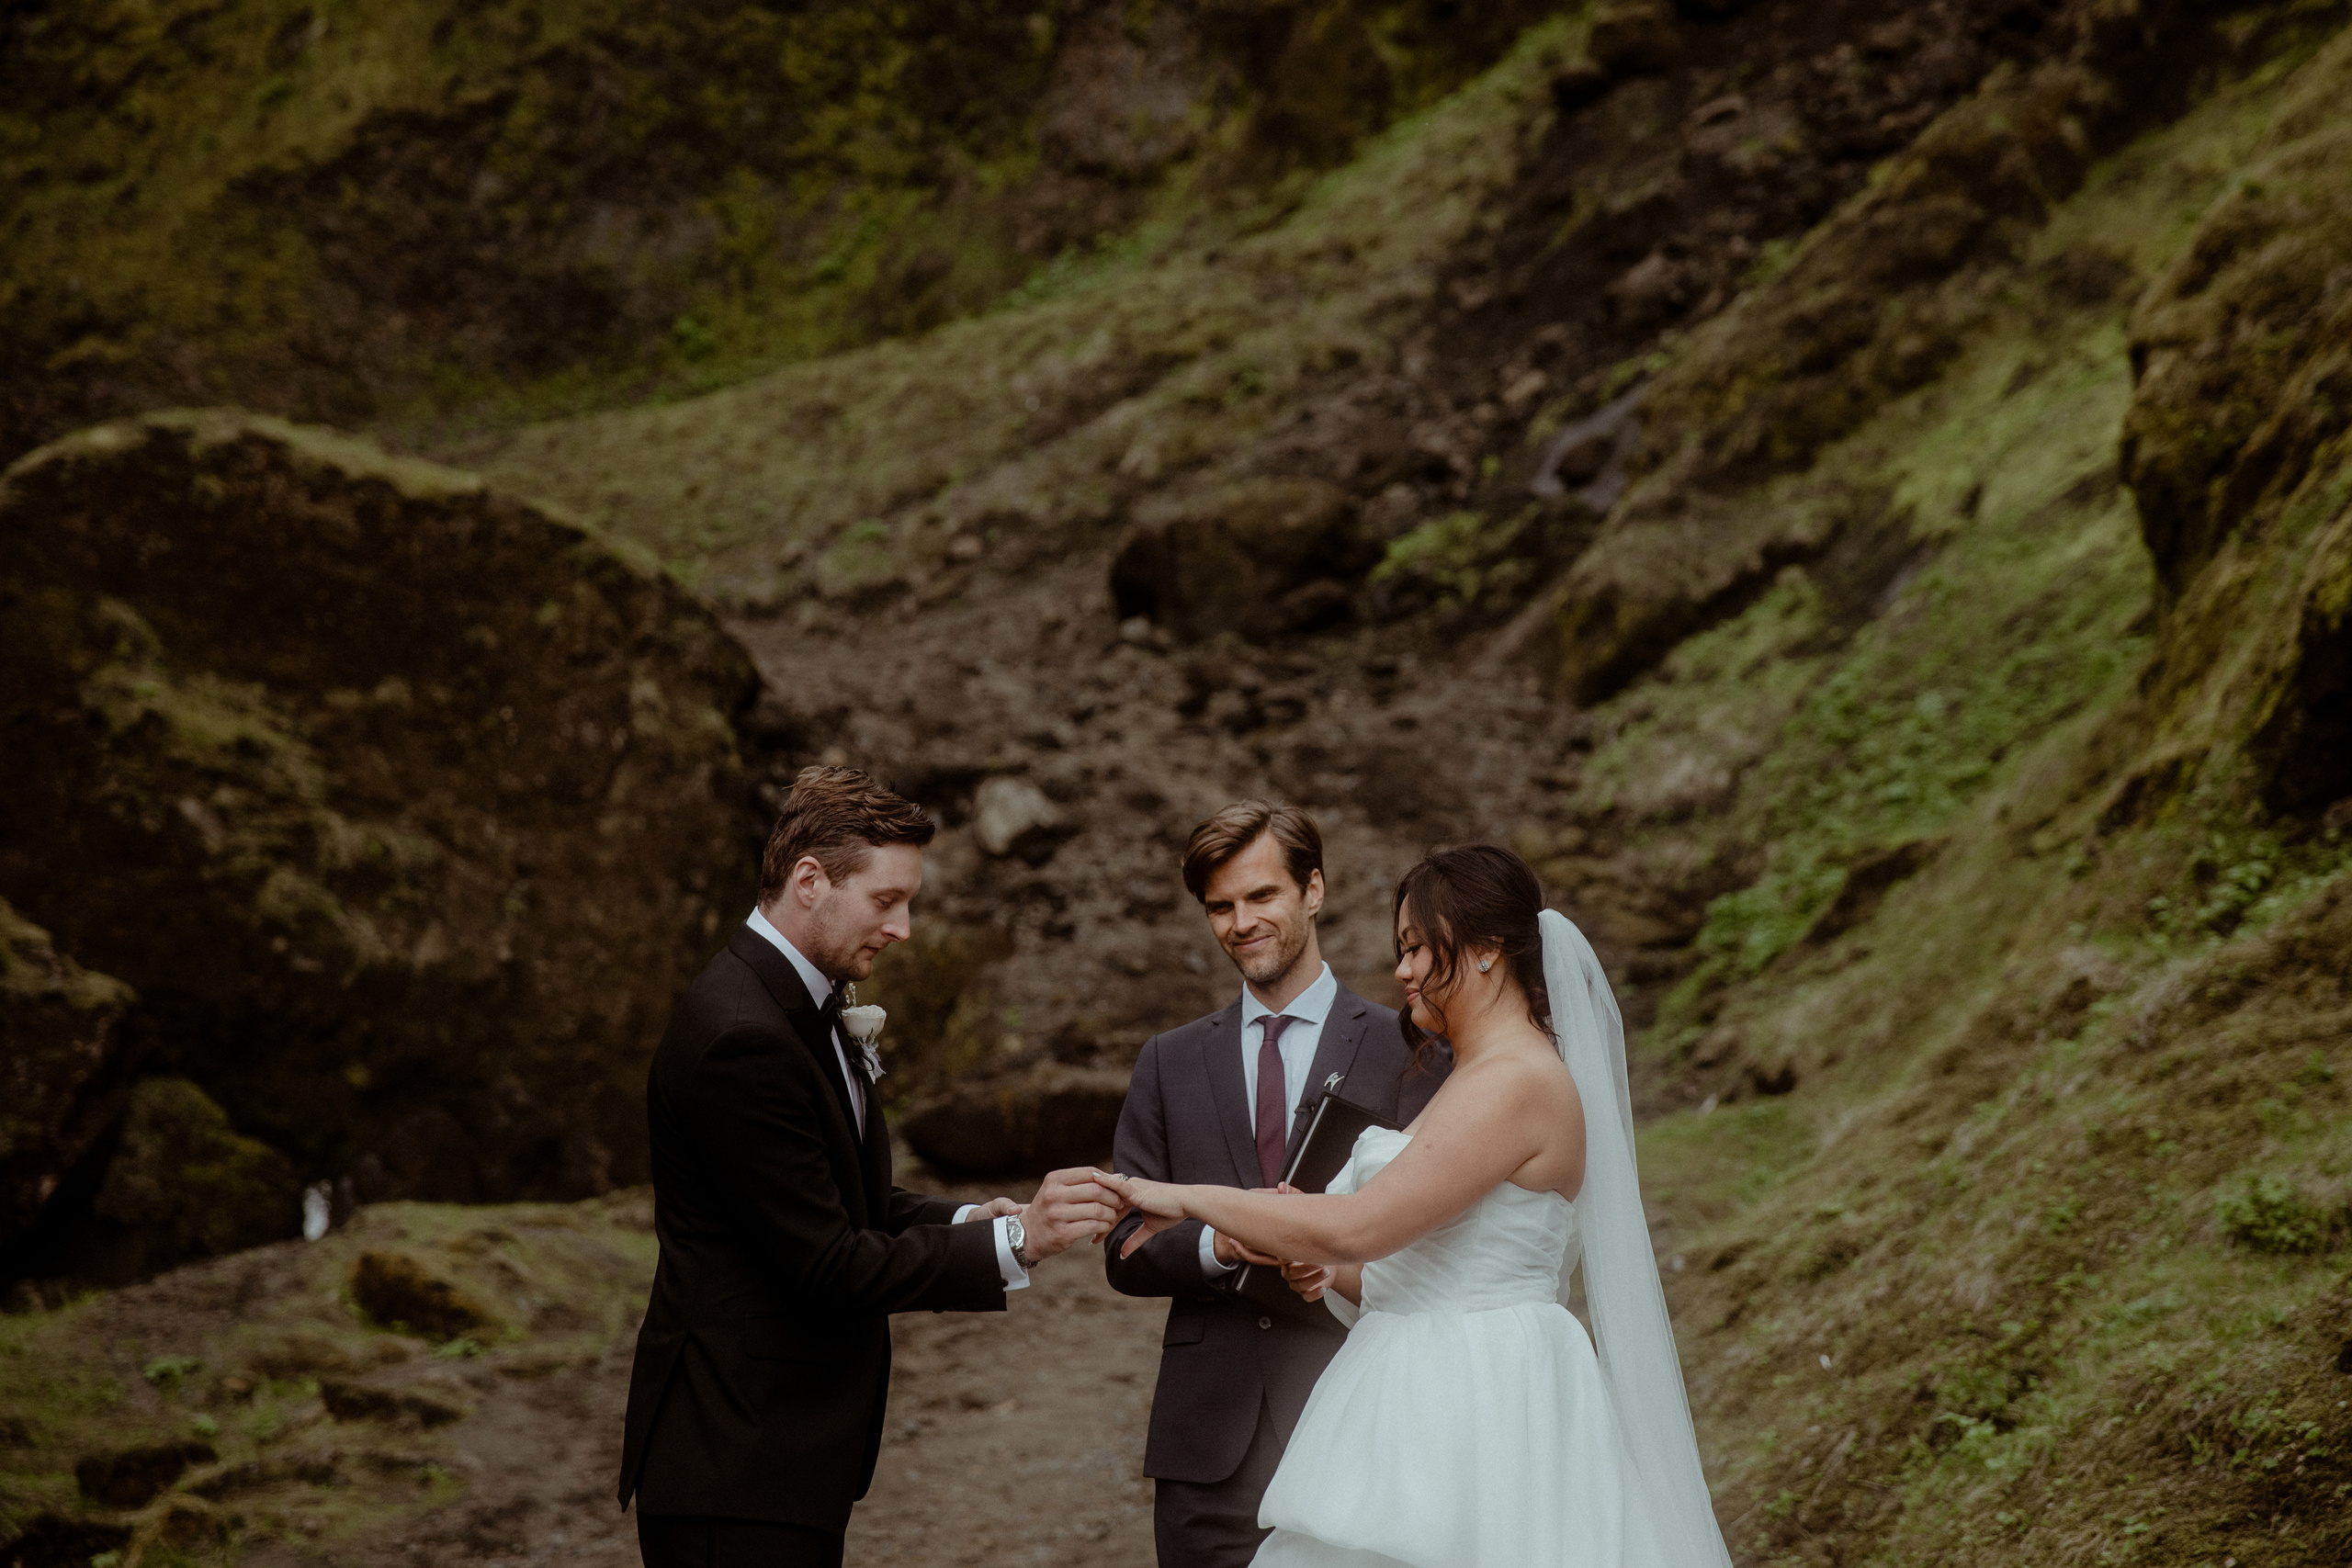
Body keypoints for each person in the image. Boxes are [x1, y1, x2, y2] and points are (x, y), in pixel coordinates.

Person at [1107, 844, 1736, 1568]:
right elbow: (1416, 1263)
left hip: (1474, 1398)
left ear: (1485, 950)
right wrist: (1323, 1266)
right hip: (1427, 1377)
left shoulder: (1516, 1082)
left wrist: (1185, 1196)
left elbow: (1361, 1226)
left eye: (1414, 948)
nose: (1402, 971)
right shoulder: (1477, 1077)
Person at [617, 766, 1124, 1568]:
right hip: (734, 1464)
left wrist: (972, 1220)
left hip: (776, 1459)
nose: (906, 927)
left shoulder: (800, 1002)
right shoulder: (741, 1034)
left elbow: (846, 1198)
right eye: (887, 900)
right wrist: (1017, 1242)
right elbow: (826, 1262)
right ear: (809, 881)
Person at [1106, 801, 1451, 1568]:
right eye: (1220, 907)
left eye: (1261, 896)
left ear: (1314, 890)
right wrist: (1222, 1242)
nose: (1241, 922)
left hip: (1358, 1416)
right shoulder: (1167, 1061)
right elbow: (1125, 1245)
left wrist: (1333, 1258)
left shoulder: (1409, 1047)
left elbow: (1438, 1242)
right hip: (1206, 1449)